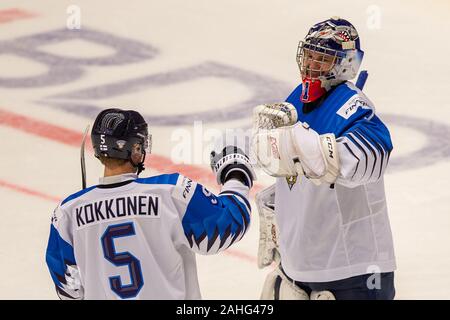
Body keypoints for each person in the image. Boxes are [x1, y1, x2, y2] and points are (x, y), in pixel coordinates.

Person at [253, 17, 396, 300]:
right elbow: (303, 170)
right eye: (310, 55)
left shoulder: (355, 107)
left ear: (346, 63)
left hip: (354, 273)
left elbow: (372, 157)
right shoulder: (297, 99)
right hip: (301, 269)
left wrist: (300, 144)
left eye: (323, 58)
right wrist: (282, 203)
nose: (311, 64)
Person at [45, 108, 255, 299]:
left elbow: (69, 289)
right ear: (135, 150)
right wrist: (235, 171)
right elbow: (230, 223)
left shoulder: (67, 213)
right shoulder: (171, 191)